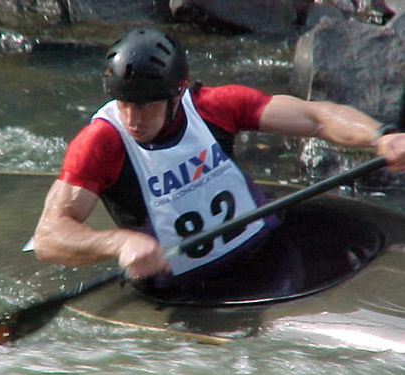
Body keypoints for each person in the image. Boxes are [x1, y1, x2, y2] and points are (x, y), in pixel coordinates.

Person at [33, 27, 405, 295]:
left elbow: (317, 117)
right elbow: (49, 236)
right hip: (185, 291)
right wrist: (119, 244)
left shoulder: (215, 106)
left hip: (268, 250)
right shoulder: (102, 142)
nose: (133, 119)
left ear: (177, 92)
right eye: (125, 104)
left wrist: (380, 136)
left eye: (146, 105)